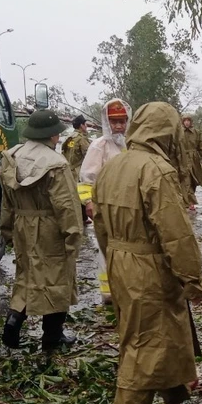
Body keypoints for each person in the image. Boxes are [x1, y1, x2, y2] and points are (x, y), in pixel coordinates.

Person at [93, 102, 202, 404]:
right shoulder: (156, 169)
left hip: (119, 262)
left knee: (155, 332)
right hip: (148, 267)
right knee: (144, 346)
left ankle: (175, 393)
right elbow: (176, 234)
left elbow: (99, 224)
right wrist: (193, 279)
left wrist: (116, 260)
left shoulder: (112, 166)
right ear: (166, 132)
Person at [0, 110, 83, 351]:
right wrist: (73, 237)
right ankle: (52, 337)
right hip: (49, 228)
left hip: (22, 225)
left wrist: (7, 231)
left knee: (27, 276)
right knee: (57, 278)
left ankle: (12, 325)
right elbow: (67, 205)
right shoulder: (56, 164)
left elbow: (6, 200)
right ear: (53, 135)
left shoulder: (11, 157)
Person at [78, 98, 132, 304]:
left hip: (129, 208)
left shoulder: (131, 144)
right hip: (106, 207)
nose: (118, 125)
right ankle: (108, 292)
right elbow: (86, 178)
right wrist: (89, 203)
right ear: (106, 122)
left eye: (122, 121)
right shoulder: (99, 146)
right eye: (114, 121)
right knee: (107, 248)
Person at [179, 114, 202, 211]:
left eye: (188, 120)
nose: (186, 122)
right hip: (183, 158)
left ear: (191, 122)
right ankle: (190, 202)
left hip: (194, 159)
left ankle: (188, 200)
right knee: (186, 180)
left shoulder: (196, 132)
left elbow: (201, 145)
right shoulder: (179, 132)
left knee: (194, 180)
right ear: (182, 122)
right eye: (185, 120)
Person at [61, 114, 91, 182]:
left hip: (68, 171)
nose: (86, 126)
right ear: (81, 125)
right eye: (85, 124)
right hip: (78, 173)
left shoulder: (70, 137)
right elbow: (89, 156)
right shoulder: (81, 139)